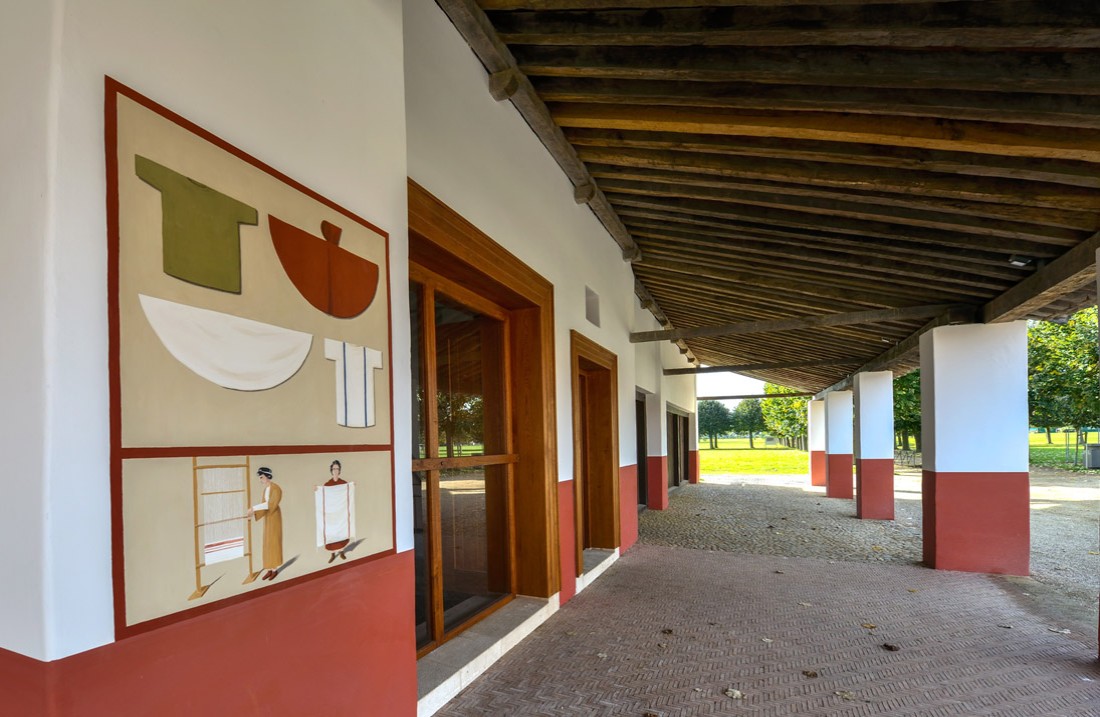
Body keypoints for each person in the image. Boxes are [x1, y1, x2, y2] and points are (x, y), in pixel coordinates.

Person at [247, 466, 283, 581]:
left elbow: (271, 505)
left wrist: (253, 508)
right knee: (267, 544)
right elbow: (264, 504)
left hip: (274, 517)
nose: (260, 480)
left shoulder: (276, 489)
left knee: (273, 543)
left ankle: (274, 569)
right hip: (268, 518)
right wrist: (254, 512)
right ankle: (269, 569)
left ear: (268, 476)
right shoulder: (266, 489)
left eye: (261, 477)